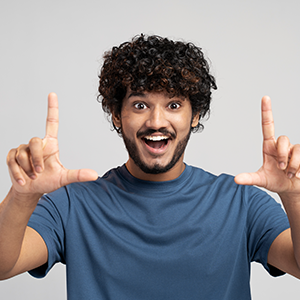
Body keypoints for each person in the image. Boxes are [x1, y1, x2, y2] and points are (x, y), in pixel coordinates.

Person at [0, 34, 299, 299]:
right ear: (117, 116)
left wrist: (294, 197)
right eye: (140, 105)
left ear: (194, 116)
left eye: (173, 105)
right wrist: (22, 197)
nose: (157, 122)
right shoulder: (71, 204)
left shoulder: (240, 201)